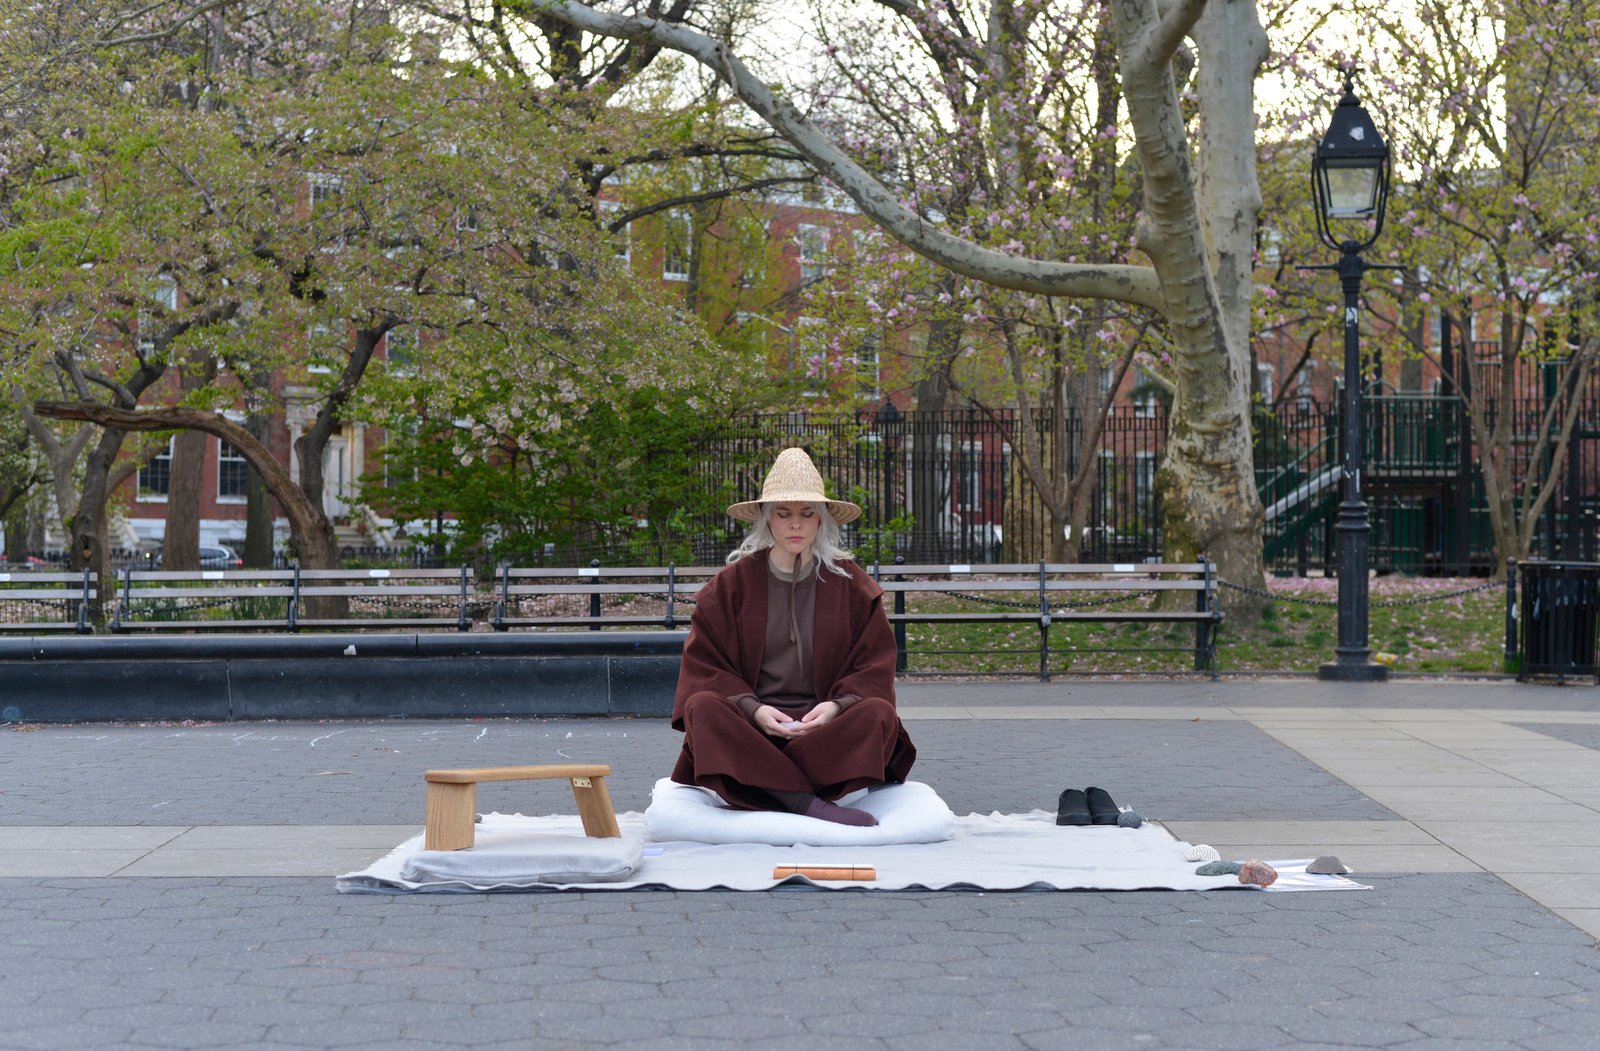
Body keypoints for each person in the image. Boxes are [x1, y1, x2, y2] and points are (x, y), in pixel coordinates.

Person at [669, 447, 916, 826]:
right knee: (702, 707)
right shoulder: (731, 586)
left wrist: (835, 707)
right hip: (753, 728)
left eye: (807, 514)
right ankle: (803, 802)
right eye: (783, 514)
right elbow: (706, 665)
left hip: (822, 728)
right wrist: (754, 709)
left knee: (877, 714)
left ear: (822, 521)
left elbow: (874, 663)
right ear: (767, 521)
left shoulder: (851, 584)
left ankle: (765, 786)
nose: (795, 525)